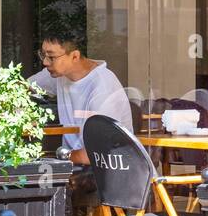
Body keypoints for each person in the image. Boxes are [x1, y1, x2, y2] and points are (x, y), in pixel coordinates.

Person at [29, 33, 136, 165]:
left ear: (75, 56)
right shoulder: (58, 74)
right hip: (72, 163)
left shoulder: (102, 86)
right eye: (43, 55)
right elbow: (22, 87)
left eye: (51, 57)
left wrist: (58, 156)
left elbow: (95, 154)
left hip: (107, 169)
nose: (45, 62)